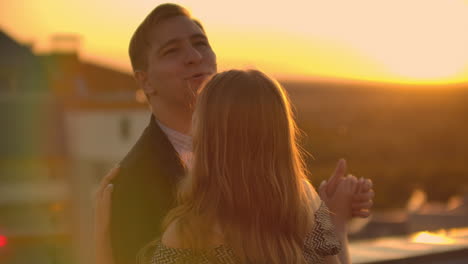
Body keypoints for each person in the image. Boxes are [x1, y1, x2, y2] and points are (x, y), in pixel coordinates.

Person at [94, 3, 374, 264]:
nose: (194, 57)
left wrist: (325, 214)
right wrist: (326, 222)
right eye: (172, 51)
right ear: (144, 80)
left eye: (200, 44)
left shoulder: (289, 188)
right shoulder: (130, 182)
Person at [139, 69, 357, 264]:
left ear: (208, 139)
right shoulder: (304, 206)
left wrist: (103, 233)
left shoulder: (189, 235)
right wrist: (336, 218)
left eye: (197, 114)